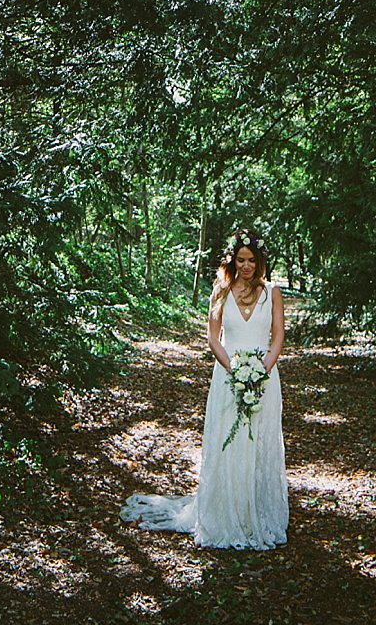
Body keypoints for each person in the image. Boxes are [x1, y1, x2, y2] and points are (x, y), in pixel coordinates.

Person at [120, 228, 289, 549]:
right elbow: (213, 338)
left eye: (252, 260)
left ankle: (257, 513)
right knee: (229, 443)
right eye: (241, 260)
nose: (246, 266)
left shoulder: (272, 293)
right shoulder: (221, 292)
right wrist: (236, 370)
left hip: (265, 379)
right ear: (233, 260)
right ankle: (226, 513)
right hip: (228, 377)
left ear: (260, 261)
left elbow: (278, 336)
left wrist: (261, 371)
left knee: (258, 443)